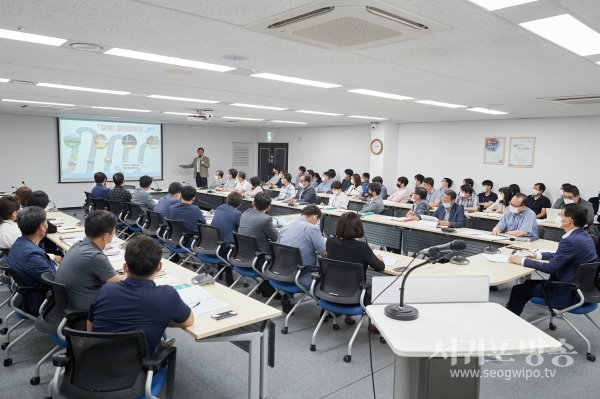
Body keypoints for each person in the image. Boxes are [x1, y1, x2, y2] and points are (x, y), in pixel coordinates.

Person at [87, 235, 194, 356]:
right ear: (159, 267)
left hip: (94, 362)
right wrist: (159, 319)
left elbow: (90, 329)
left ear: (125, 267)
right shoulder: (167, 295)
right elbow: (188, 321)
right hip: (136, 371)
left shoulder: (105, 290)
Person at [506, 204, 597, 316]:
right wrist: (538, 255)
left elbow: (551, 268)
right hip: (583, 290)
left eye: (561, 215)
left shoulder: (570, 241)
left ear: (568, 220)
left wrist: (522, 261)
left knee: (518, 290)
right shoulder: (584, 236)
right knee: (527, 284)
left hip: (566, 292)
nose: (558, 217)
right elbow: (561, 256)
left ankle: (509, 319)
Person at [55, 210, 125, 310]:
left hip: (69, 304)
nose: (112, 238)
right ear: (105, 236)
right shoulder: (94, 256)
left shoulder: (78, 245)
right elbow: (120, 282)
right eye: (113, 234)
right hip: (84, 309)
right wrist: (128, 271)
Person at [326, 212, 384, 324]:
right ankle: (374, 325)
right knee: (381, 287)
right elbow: (380, 267)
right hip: (355, 295)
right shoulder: (362, 247)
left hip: (331, 289)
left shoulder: (330, 242)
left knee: (345, 277)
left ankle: (349, 316)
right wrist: (379, 259)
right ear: (359, 227)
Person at [7, 207, 61, 316]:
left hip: (34, 293)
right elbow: (56, 281)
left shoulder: (20, 243)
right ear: (41, 227)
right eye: (46, 222)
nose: (47, 225)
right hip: (42, 300)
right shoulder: (31, 255)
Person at [277, 205, 326, 313]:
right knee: (327, 275)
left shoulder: (286, 227)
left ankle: (288, 296)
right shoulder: (312, 228)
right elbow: (324, 252)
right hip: (302, 276)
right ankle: (328, 308)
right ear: (314, 217)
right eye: (318, 220)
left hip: (282, 273)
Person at [211, 192, 243, 285]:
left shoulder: (219, 208)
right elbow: (242, 228)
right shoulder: (237, 213)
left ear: (227, 200)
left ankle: (220, 272)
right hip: (228, 245)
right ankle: (228, 273)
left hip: (215, 242)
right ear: (239, 204)